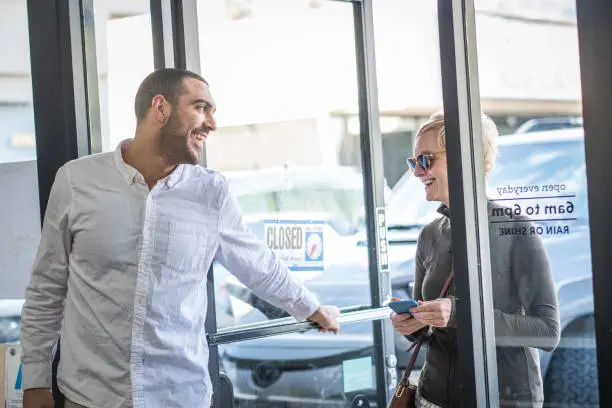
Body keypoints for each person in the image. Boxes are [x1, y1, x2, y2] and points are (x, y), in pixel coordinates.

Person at [20, 68, 340, 408]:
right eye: (201, 107)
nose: (212, 124)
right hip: (91, 397)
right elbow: (47, 288)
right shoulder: (76, 180)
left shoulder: (211, 192)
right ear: (161, 108)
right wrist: (35, 382)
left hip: (179, 395)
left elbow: (257, 264)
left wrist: (312, 308)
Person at [390, 112, 560, 408]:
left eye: (425, 160)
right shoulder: (429, 235)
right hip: (434, 398)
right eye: (413, 162)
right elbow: (430, 326)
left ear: (462, 158)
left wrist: (459, 314)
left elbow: (548, 332)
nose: (417, 172)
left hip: (503, 398)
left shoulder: (515, 228)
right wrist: (413, 325)